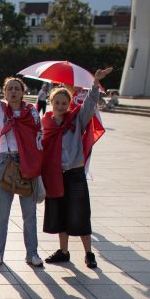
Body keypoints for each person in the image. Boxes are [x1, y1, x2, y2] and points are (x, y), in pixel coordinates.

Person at [41, 67, 113, 270]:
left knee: (80, 213)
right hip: (55, 174)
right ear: (51, 103)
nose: (61, 106)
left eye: (64, 103)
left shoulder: (76, 119)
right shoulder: (46, 123)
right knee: (59, 213)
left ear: (69, 103)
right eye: (57, 102)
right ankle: (63, 251)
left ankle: (89, 253)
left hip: (74, 173)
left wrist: (95, 84)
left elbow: (89, 105)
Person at [0, 39, 44, 268]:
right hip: (6, 161)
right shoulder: (1, 109)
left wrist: (39, 170)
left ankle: (32, 253)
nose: (14, 91)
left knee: (29, 214)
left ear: (23, 92)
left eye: (17, 88)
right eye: (10, 88)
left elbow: (39, 142)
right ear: (5, 93)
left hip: (27, 163)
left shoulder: (33, 113)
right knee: (1, 213)